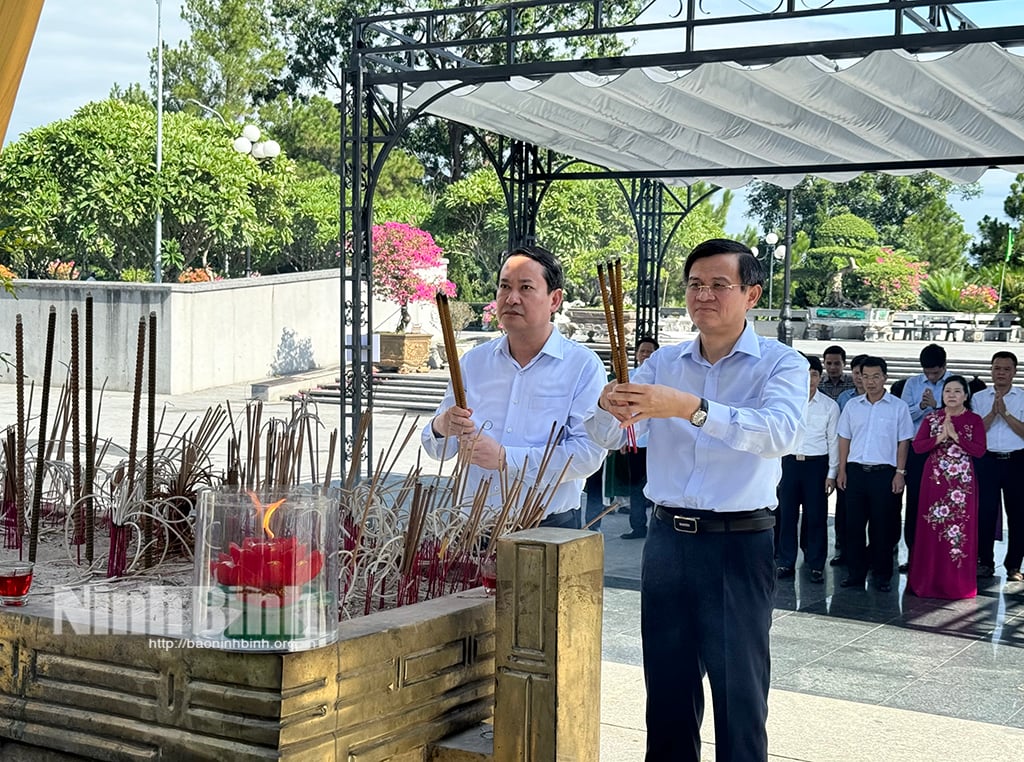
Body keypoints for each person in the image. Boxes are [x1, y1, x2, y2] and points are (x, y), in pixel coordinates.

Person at [585, 238, 807, 761]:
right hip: (667, 543)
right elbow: (610, 434)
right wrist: (605, 404)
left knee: (740, 697)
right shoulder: (663, 363)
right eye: (694, 285)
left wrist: (691, 408)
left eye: (719, 285)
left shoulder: (781, 364)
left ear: (752, 294)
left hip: (738, 542)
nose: (704, 295)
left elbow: (781, 434)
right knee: (666, 694)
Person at [421, 245, 606, 528]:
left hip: (546, 528)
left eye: (526, 288)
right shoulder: (473, 363)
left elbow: (588, 455)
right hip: (473, 527)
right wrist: (442, 426)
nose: (511, 298)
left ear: (555, 299)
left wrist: (507, 459)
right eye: (504, 287)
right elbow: (439, 451)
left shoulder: (582, 366)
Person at [837, 356, 915, 592]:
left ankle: (882, 575)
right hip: (856, 472)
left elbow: (904, 442)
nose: (870, 382)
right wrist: (841, 470)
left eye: (875, 376)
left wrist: (900, 473)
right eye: (865, 376)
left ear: (885, 378)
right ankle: (855, 574)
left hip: (885, 474)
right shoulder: (852, 406)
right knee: (854, 526)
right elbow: (844, 438)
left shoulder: (898, 407)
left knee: (883, 527)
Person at [907, 375, 986, 599]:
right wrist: (940, 438)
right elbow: (918, 447)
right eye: (947, 391)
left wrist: (957, 438)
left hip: (961, 486)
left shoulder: (974, 420)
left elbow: (980, 450)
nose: (951, 395)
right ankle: (928, 581)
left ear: (965, 395)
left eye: (957, 391)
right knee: (932, 529)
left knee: (958, 533)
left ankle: (956, 584)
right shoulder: (932, 418)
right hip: (934, 482)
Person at [776, 354, 838, 583]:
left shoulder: (829, 406)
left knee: (816, 516)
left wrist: (832, 474)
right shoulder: (787, 402)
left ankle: (815, 563)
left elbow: (833, 441)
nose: (809, 380)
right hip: (789, 463)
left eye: (813, 375)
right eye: (805, 375)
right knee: (787, 515)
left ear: (820, 377)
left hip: (816, 465)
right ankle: (785, 561)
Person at [972, 351, 1024, 581]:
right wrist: (993, 413)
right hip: (987, 460)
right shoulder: (980, 398)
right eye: (997, 368)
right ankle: (985, 562)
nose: (1001, 373)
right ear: (991, 370)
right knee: (985, 512)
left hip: (1016, 460)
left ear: (1014, 372)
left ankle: (1014, 566)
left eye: (1006, 369)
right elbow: (974, 433)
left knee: (1018, 514)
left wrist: (1006, 413)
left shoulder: (1022, 397)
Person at [899, 344, 950, 566]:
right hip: (917, 450)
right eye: (927, 372)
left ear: (944, 366)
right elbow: (902, 414)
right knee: (915, 502)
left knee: (942, 501)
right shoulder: (912, 384)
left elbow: (962, 413)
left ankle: (941, 555)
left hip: (946, 452)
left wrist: (937, 406)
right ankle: (913, 554)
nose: (930, 376)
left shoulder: (955, 384)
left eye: (935, 372)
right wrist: (922, 406)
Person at [621, 336, 660, 540]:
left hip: (656, 444)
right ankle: (637, 526)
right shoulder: (630, 378)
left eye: (649, 352)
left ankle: (657, 525)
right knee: (635, 486)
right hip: (635, 443)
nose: (645, 355)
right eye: (642, 351)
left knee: (655, 484)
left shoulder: (661, 379)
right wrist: (622, 439)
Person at [833, 353, 867, 566]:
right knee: (844, 509)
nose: (859, 378)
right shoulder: (845, 399)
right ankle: (843, 549)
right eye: (855, 373)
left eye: (862, 374)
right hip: (848, 459)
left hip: (871, 461)